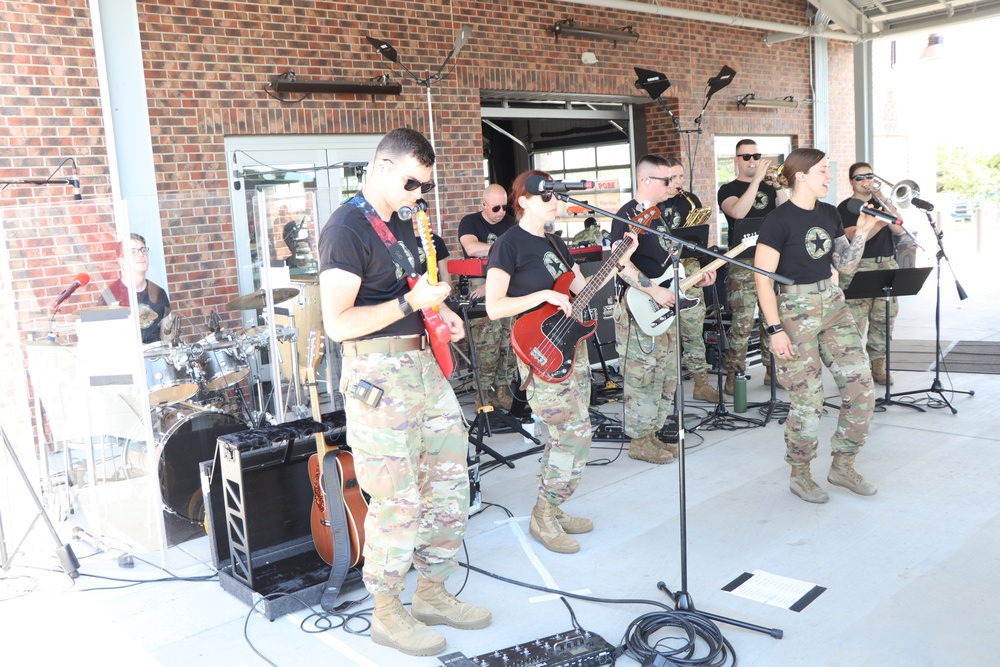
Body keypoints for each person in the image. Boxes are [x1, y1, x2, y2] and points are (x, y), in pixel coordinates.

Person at [318, 128, 490, 657]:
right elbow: (338, 322)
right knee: (397, 500)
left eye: (426, 186)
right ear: (383, 167)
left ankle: (434, 593)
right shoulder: (347, 227)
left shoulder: (407, 223)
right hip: (378, 376)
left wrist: (445, 314)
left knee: (447, 486)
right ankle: (387, 612)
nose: (420, 194)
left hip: (423, 368)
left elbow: (417, 288)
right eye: (413, 183)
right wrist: (412, 305)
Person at [485, 169, 637, 554]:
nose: (555, 202)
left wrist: (619, 261)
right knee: (569, 433)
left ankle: (553, 506)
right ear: (523, 201)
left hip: (571, 347)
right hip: (539, 348)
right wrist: (543, 298)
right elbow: (493, 307)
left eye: (556, 196)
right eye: (546, 196)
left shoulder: (554, 241)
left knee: (575, 431)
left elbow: (582, 290)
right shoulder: (508, 245)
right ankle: (544, 512)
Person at [753, 148, 878, 504]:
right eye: (823, 171)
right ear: (801, 175)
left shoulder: (828, 213)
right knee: (808, 399)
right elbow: (763, 281)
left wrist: (863, 233)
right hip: (794, 308)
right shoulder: (777, 221)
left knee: (861, 388)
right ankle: (801, 474)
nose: (829, 177)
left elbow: (846, 265)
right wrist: (775, 331)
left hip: (833, 305)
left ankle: (843, 464)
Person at [610, 155, 716, 465]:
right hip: (638, 309)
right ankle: (639, 441)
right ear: (646, 181)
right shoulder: (627, 216)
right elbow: (620, 264)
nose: (672, 185)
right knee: (643, 377)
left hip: (662, 307)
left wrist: (696, 276)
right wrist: (652, 290)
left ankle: (652, 434)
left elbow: (666, 264)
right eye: (665, 180)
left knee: (667, 375)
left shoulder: (657, 215)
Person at [718, 139, 790, 391]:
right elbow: (738, 212)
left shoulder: (770, 187)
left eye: (756, 156)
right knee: (743, 322)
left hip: (771, 259)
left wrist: (778, 186)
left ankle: (773, 371)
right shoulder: (728, 189)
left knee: (773, 319)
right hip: (744, 262)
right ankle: (734, 376)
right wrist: (757, 181)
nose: (751, 160)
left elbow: (787, 212)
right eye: (746, 156)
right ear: (736, 160)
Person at [837, 162, 907, 385]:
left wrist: (883, 198)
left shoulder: (881, 203)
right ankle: (856, 372)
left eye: (869, 176)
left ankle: (878, 367)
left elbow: (899, 228)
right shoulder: (845, 207)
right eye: (859, 177)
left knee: (884, 321)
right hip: (858, 269)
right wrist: (877, 222)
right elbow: (854, 236)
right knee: (854, 323)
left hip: (886, 266)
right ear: (851, 182)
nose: (865, 181)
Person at [659, 158, 720, 403]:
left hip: (690, 267)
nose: (678, 183)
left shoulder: (689, 200)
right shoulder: (652, 203)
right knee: (665, 334)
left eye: (681, 177)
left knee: (694, 331)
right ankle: (666, 391)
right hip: (661, 271)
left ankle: (701, 384)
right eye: (673, 178)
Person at [457, 184, 517, 410]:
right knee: (486, 347)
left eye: (504, 207)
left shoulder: (510, 223)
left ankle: (503, 392)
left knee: (508, 344)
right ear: (483, 205)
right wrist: (504, 248)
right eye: (496, 208)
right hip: (480, 286)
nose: (501, 212)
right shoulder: (469, 222)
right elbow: (472, 249)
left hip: (509, 286)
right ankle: (482, 397)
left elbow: (519, 251)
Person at [101, 233, 170, 344]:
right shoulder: (110, 295)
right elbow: (105, 339)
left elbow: (167, 336)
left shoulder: (158, 292)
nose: (140, 255)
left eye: (143, 250)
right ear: (121, 260)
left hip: (156, 357)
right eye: (133, 252)